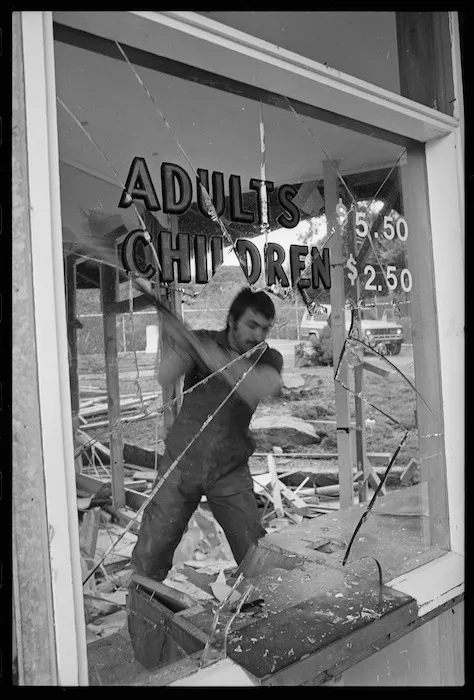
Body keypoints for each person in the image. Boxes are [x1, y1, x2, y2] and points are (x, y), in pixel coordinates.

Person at [131, 287, 283, 581]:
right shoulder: (200, 342)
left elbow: (259, 387)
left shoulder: (268, 357)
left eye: (265, 328)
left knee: (253, 552)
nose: (258, 335)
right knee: (151, 553)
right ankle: (143, 607)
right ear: (232, 320)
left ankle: (267, 611)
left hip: (229, 468)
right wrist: (178, 344)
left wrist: (212, 355)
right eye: (252, 325)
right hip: (180, 464)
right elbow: (165, 376)